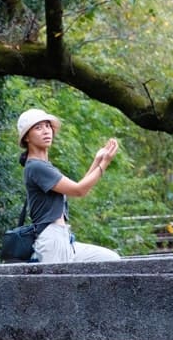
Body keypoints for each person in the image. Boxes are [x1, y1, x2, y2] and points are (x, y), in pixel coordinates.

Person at [18, 107, 121, 263]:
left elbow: (80, 188)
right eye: (38, 128)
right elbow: (79, 190)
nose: (46, 131)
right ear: (27, 137)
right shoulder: (36, 167)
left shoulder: (44, 166)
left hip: (63, 238)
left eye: (47, 126)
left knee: (111, 259)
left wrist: (98, 160)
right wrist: (105, 163)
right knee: (58, 287)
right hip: (51, 240)